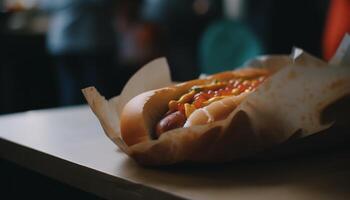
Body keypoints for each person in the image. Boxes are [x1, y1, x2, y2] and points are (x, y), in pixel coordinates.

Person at [39, 0, 118, 105]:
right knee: (70, 94)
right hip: (65, 42)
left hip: (93, 41)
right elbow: (44, 4)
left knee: (97, 95)